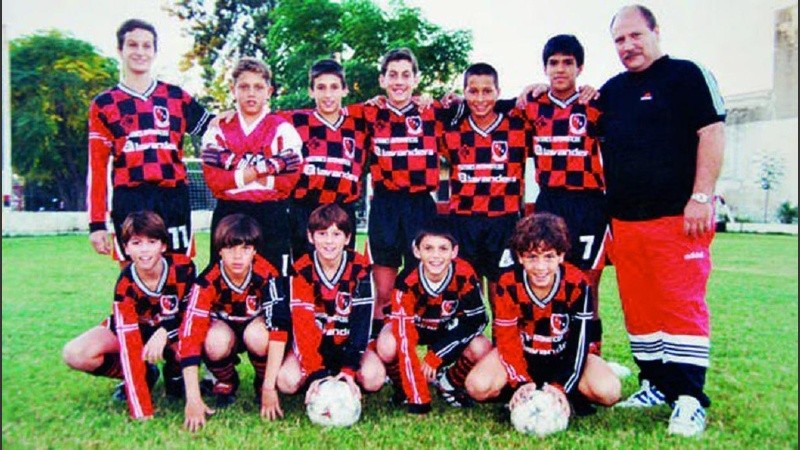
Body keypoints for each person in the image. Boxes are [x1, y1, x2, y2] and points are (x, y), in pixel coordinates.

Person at [599, 5, 726, 438]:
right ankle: (655, 383)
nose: (627, 46)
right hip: (625, 222)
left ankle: (689, 396)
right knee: (639, 307)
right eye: (619, 40)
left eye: (635, 35)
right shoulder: (611, 92)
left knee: (680, 304)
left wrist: (701, 196)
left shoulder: (687, 75)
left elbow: (712, 132)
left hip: (678, 218)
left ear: (656, 31)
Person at [465, 213, 620, 424]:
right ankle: (520, 395)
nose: (540, 267)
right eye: (532, 257)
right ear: (520, 257)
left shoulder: (577, 283)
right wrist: (520, 381)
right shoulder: (508, 284)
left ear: (561, 256)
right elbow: (507, 339)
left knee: (609, 391)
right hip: (525, 356)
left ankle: (568, 394)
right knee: (478, 386)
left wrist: (562, 385)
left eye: (548, 257)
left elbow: (579, 342)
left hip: (564, 357)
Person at [87, 19, 213, 262]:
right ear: (120, 50)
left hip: (172, 196)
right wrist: (96, 224)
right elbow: (97, 167)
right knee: (133, 273)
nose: (140, 52)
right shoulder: (104, 104)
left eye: (147, 46)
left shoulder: (176, 97)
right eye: (133, 45)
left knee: (179, 270)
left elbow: (215, 128)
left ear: (155, 51)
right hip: (130, 197)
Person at [515, 35, 608, 355]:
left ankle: (591, 354)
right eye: (553, 63)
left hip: (589, 202)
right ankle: (549, 350)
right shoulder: (532, 106)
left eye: (568, 62)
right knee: (546, 277)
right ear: (544, 68)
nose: (560, 69)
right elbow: (488, 108)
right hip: (550, 202)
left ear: (580, 67)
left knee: (587, 282)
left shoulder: (595, 105)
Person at [62, 211, 196, 420]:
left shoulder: (183, 267)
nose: (144, 250)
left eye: (152, 242)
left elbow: (193, 315)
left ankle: (176, 375)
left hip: (172, 329)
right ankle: (146, 374)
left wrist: (165, 332)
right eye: (136, 243)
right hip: (135, 331)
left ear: (163, 245)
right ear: (125, 248)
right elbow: (130, 345)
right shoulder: (125, 284)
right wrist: (143, 412)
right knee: (76, 353)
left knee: (197, 338)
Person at [362, 48, 459, 328]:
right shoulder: (370, 113)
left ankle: (422, 343)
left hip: (420, 204)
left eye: (406, 75)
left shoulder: (431, 112)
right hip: (385, 205)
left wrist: (454, 97)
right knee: (383, 291)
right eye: (392, 75)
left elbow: (475, 104)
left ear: (416, 79)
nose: (399, 82)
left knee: (424, 283)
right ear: (382, 80)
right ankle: (383, 347)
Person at [179, 214, 291, 431]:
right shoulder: (207, 281)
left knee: (259, 337)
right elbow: (190, 335)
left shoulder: (268, 274)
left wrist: (270, 387)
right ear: (219, 250)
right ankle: (227, 382)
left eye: (245, 248)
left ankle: (262, 383)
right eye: (230, 248)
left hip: (253, 327)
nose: (237, 256)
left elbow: (279, 329)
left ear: (255, 251)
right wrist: (193, 398)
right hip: (225, 330)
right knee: (214, 341)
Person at [440, 62, 530, 313]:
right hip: (464, 221)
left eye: (487, 91)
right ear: (464, 93)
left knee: (502, 296)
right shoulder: (451, 128)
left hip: (504, 221)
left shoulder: (518, 125)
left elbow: (540, 103)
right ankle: (473, 339)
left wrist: (538, 87)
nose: (480, 99)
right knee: (468, 296)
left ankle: (504, 339)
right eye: (473, 91)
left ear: (498, 92)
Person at [200, 57, 303, 274]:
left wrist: (237, 169)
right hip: (229, 211)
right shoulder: (218, 128)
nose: (251, 93)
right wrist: (267, 168)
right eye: (244, 87)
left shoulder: (282, 128)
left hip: (271, 213)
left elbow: (289, 179)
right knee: (224, 278)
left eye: (258, 87)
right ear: (233, 90)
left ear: (269, 91)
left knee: (275, 277)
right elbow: (215, 180)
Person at [376, 223, 491, 414]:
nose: (436, 255)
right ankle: (403, 387)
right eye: (428, 248)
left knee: (481, 346)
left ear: (454, 252)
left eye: (443, 248)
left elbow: (478, 320)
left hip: (447, 329)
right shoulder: (406, 281)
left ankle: (449, 383)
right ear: (417, 251)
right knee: (387, 345)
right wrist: (418, 397)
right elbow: (404, 339)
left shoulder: (464, 274)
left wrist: (437, 354)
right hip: (415, 327)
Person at [277, 204, 385, 403]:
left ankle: (345, 379)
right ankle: (319, 380)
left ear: (347, 238)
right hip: (316, 346)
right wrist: (315, 373)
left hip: (347, 344)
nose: (329, 241)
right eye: (322, 233)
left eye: (336, 234)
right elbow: (302, 328)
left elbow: (362, 326)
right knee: (286, 381)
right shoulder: (301, 270)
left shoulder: (360, 268)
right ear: (310, 237)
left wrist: (349, 368)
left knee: (374, 378)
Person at [277, 59, 369, 261]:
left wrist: (422, 99)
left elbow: (395, 107)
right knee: (304, 271)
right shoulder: (293, 121)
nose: (328, 95)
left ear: (345, 90)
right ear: (311, 91)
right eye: (321, 88)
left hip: (343, 209)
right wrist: (227, 115)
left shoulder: (360, 122)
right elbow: (256, 118)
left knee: (343, 271)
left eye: (334, 87)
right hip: (305, 210)